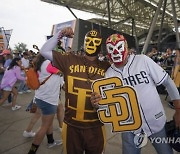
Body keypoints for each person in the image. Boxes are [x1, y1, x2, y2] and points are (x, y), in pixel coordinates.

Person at [91, 34, 180, 154]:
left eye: (119, 46)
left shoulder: (142, 60)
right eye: (111, 48)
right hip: (129, 127)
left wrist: (179, 109)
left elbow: (167, 82)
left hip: (156, 121)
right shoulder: (109, 74)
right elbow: (108, 105)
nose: (116, 51)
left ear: (126, 47)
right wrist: (97, 103)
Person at [40, 27, 110, 154]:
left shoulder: (107, 67)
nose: (91, 44)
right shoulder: (69, 59)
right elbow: (44, 50)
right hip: (71, 126)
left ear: (100, 45)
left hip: (96, 126)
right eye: (88, 41)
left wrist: (103, 101)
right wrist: (60, 34)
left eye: (95, 42)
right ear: (83, 43)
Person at [27, 54, 63, 154]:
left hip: (40, 97)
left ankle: (51, 141)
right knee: (44, 126)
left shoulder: (39, 64)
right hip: (49, 100)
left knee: (48, 122)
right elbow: (61, 72)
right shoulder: (48, 64)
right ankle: (31, 152)